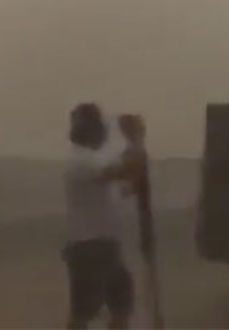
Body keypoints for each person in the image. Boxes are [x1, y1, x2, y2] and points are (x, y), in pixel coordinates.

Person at [64, 104, 139, 330]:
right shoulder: (82, 160)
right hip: (90, 246)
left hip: (102, 246)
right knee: (85, 312)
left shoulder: (91, 161)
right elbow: (121, 170)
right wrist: (135, 140)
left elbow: (125, 181)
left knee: (120, 305)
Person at [117, 114, 162, 329]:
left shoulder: (134, 154)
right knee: (142, 280)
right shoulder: (133, 155)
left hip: (140, 224)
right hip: (136, 225)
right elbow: (127, 190)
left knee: (146, 281)